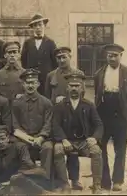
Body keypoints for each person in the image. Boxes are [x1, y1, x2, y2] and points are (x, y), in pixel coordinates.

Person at [94, 44, 127, 191]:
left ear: (121, 56)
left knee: (121, 149)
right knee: (101, 148)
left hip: (121, 115)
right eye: (109, 55)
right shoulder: (99, 73)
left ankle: (118, 181)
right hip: (104, 114)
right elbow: (97, 94)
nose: (111, 58)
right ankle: (105, 181)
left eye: (115, 55)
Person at [52, 73, 104, 194]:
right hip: (66, 140)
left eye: (77, 86)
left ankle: (97, 186)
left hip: (83, 142)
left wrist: (95, 138)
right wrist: (63, 139)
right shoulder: (60, 106)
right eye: (71, 86)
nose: (74, 88)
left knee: (96, 151)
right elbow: (55, 125)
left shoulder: (89, 105)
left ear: (82, 88)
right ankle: (65, 184)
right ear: (67, 88)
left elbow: (99, 124)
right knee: (57, 150)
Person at [44, 46, 84, 190]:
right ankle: (60, 180)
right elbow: (47, 98)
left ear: (70, 57)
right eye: (59, 58)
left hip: (73, 116)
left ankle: (75, 179)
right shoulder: (51, 75)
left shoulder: (78, 73)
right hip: (56, 117)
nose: (61, 60)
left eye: (64, 57)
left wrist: (66, 98)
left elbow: (82, 96)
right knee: (57, 148)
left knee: (72, 148)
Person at [12, 69, 54, 179]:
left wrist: (40, 137)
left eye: (33, 82)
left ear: (38, 84)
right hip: (23, 138)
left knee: (48, 148)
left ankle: (45, 179)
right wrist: (27, 138)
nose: (30, 85)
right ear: (23, 85)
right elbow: (15, 124)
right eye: (27, 83)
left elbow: (48, 123)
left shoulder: (46, 103)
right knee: (19, 147)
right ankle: (24, 179)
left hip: (41, 138)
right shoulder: (17, 103)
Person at [0, 125, 52, 195]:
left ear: (8, 138)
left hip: (32, 179)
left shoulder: (20, 147)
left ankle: (45, 193)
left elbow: (28, 166)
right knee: (5, 191)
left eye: (2, 139)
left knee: (16, 179)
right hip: (13, 186)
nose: (0, 142)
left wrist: (11, 181)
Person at [20, 13, 58, 96]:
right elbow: (24, 61)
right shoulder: (27, 43)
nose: (38, 28)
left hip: (46, 79)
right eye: (35, 25)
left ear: (44, 26)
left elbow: (55, 62)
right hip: (32, 79)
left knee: (46, 99)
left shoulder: (50, 43)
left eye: (40, 25)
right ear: (32, 28)